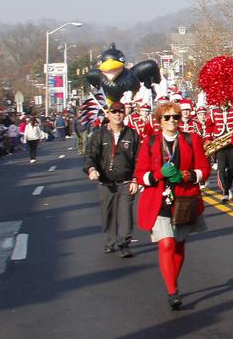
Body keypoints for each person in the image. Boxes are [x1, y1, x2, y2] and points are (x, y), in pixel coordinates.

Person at [134, 100, 211, 310]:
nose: (172, 121)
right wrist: (159, 174)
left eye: (175, 117)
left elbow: (204, 169)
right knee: (166, 243)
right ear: (159, 120)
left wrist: (185, 175)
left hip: (184, 200)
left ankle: (172, 281)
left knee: (178, 244)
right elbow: (140, 175)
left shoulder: (191, 139)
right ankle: (172, 291)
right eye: (167, 117)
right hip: (158, 200)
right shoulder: (149, 142)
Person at [83, 102, 141, 257]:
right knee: (108, 214)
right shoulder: (99, 134)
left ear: (125, 114)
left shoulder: (132, 134)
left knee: (126, 215)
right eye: (114, 112)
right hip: (106, 183)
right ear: (108, 114)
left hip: (126, 182)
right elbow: (90, 156)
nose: (117, 115)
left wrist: (136, 179)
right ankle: (109, 241)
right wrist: (92, 169)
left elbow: (139, 159)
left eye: (120, 112)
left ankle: (124, 244)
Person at [211, 107, 233, 202]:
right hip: (220, 144)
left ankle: (228, 186)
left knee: (232, 168)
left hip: (231, 143)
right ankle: (225, 191)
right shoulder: (213, 111)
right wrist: (209, 138)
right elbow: (208, 126)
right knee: (221, 168)